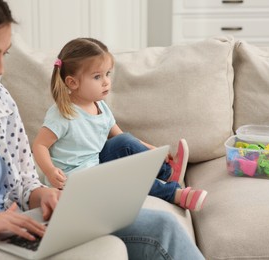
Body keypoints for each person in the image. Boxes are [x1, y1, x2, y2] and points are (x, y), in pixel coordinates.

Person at [0, 0, 204, 259]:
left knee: (161, 226)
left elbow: (23, 181)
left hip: (15, 227)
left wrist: (44, 196)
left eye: (3, 54)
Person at [32, 37, 208, 211]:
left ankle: (168, 173)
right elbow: (40, 145)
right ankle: (175, 194)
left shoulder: (99, 105)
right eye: (97, 77)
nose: (106, 81)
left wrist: (153, 151)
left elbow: (121, 138)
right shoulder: (63, 114)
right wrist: (50, 171)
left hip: (96, 162)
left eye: (107, 74)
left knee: (124, 141)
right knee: (127, 178)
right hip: (75, 180)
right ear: (73, 82)